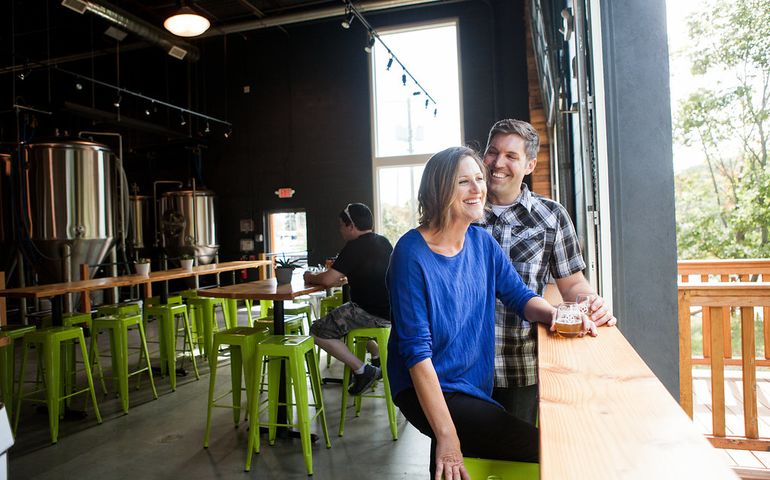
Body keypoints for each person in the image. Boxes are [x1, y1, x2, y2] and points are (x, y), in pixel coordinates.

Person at [386, 146, 596, 480]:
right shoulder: (411, 254)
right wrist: (447, 435)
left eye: (479, 179)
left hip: (470, 384)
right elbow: (415, 353)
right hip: (425, 384)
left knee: (458, 458)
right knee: (548, 448)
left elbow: (520, 296)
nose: (477, 189)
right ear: (439, 190)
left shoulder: (482, 244)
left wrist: (554, 315)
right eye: (463, 182)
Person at [476, 118, 617, 426]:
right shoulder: (461, 209)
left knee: (515, 464)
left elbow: (574, 284)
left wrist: (593, 304)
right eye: (493, 152)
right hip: (461, 365)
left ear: (529, 165)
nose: (498, 163)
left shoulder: (551, 216)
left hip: (518, 366)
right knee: (451, 463)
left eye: (511, 156)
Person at [304, 203, 392, 395]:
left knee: (318, 330)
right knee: (344, 319)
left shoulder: (354, 246)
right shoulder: (382, 241)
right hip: (389, 311)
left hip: (368, 311)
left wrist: (309, 277)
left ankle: (363, 370)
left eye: (341, 225)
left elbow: (327, 280)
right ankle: (376, 354)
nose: (340, 229)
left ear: (350, 225)